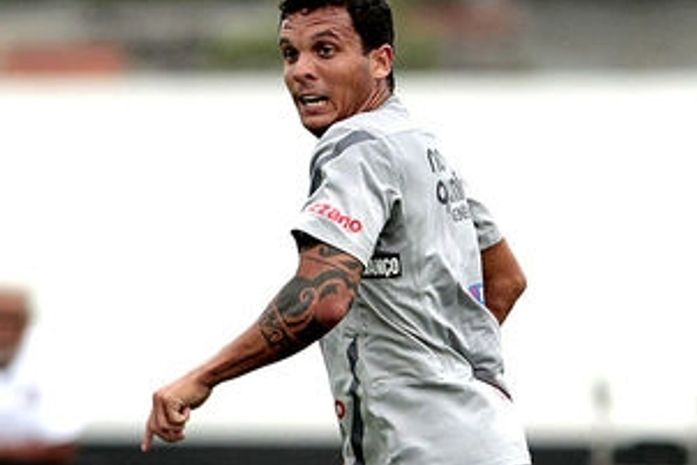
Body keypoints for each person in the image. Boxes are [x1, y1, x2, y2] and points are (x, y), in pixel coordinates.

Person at [142, 1, 531, 464]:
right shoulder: (418, 144)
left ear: (381, 61)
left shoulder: (356, 146)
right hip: (485, 439)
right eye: (290, 54)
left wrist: (204, 377)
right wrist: (439, 369)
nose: (300, 71)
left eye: (325, 50)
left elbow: (323, 298)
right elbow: (506, 279)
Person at [0, 287, 80, 464]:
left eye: (13, 320)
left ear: (26, 323)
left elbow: (62, 446)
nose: (5, 329)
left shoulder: (53, 366)